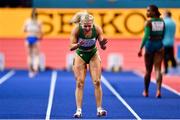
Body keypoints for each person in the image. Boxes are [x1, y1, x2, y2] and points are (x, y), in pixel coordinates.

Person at [69, 11, 107, 118]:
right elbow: (70, 47)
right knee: (79, 83)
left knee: (97, 82)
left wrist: (103, 45)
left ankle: (99, 109)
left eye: (89, 26)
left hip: (93, 53)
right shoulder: (76, 30)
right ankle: (79, 110)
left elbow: (103, 47)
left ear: (92, 24)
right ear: (81, 24)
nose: (87, 28)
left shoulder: (97, 29)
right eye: (85, 26)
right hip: (80, 54)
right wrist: (78, 44)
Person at [138, 5, 165, 98]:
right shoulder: (162, 21)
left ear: (154, 12)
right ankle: (158, 90)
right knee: (158, 69)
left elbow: (146, 36)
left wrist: (140, 48)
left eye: (149, 11)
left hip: (150, 46)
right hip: (160, 46)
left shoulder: (148, 22)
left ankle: (146, 91)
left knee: (148, 70)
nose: (147, 13)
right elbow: (163, 34)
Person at [23, 8, 43, 77]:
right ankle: (35, 69)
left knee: (29, 55)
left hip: (28, 38)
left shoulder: (27, 21)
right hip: (35, 38)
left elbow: (24, 30)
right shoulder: (39, 22)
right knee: (36, 55)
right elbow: (41, 32)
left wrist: (29, 31)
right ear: (37, 15)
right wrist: (40, 36)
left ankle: (30, 71)